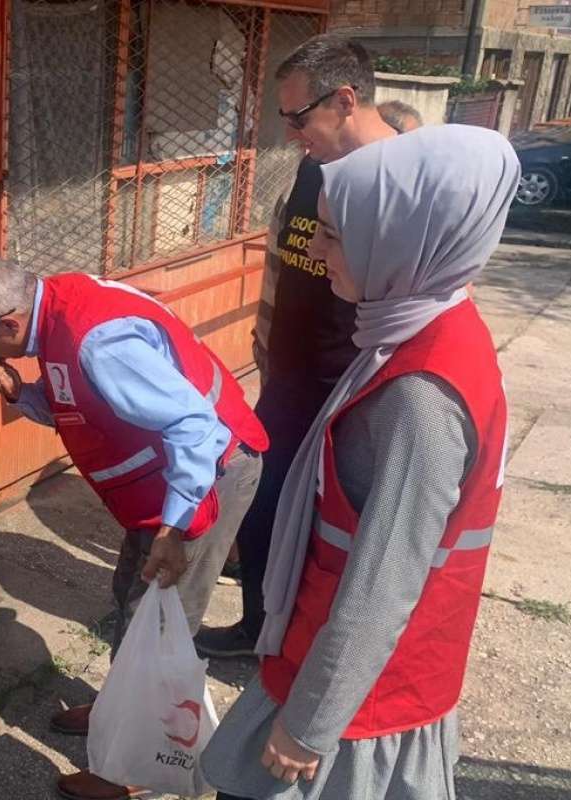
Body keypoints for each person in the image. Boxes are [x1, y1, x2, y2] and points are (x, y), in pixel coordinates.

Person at [201, 124, 518, 800]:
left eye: (336, 235)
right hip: (347, 672)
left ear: (407, 242)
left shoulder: (418, 395)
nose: (314, 250)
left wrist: (309, 723)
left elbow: (385, 581)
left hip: (358, 706)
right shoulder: (424, 329)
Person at [0, 257, 269, 800]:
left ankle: (133, 769)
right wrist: (14, 390)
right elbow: (77, 403)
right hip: (168, 480)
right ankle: (121, 705)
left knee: (163, 619)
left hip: (207, 473)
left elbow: (194, 426)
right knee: (131, 594)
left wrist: (173, 528)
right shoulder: (52, 320)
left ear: (7, 324)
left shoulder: (97, 342)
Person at [197, 35, 398, 660]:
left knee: (326, 527)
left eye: (296, 116)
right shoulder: (318, 163)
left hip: (346, 386)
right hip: (289, 377)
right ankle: (261, 627)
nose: (290, 133)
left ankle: (304, 650)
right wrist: (264, 336)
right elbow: (286, 260)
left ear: (343, 100)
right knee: (262, 507)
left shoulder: (396, 179)